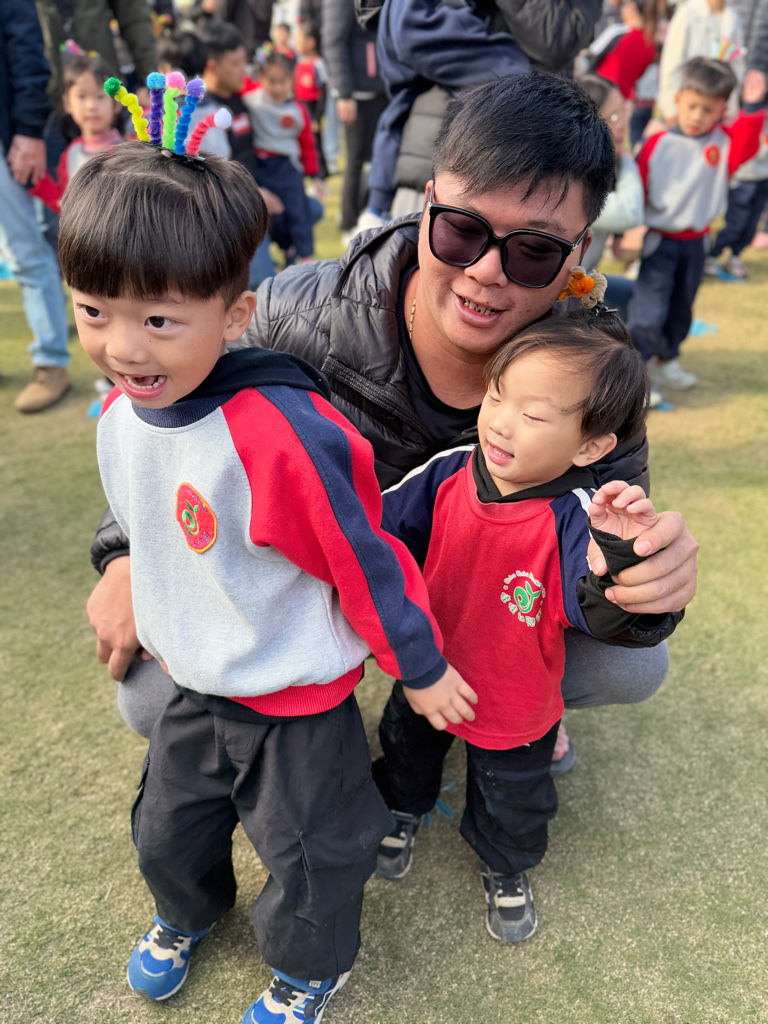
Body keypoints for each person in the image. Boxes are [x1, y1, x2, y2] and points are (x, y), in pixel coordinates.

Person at [86, 73, 699, 773]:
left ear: (580, 251)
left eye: (534, 250)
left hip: (481, 598)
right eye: (462, 230)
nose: (487, 271)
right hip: (309, 590)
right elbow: (169, 426)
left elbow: (603, 532)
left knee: (630, 664)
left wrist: (642, 575)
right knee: (150, 698)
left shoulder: (598, 367)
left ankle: (507, 705)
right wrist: (127, 555)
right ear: (427, 203)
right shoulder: (294, 316)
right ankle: (320, 712)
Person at [60, 134, 474, 1023]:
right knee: (166, 827)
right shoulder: (121, 413)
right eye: (94, 310)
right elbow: (147, 525)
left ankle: (309, 969)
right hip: (196, 680)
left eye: (159, 321)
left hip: (295, 698)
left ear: (236, 314)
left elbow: (362, 555)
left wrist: (419, 664)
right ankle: (187, 911)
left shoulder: (280, 434)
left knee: (316, 852)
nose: (122, 347)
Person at [374, 304, 682, 939]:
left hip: (516, 698)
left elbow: (596, 611)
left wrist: (621, 560)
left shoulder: (579, 516)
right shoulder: (447, 472)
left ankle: (506, 865)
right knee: (405, 749)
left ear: (591, 446)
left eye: (534, 416)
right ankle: (401, 809)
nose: (500, 422)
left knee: (515, 798)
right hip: (431, 673)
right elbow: (379, 531)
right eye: (496, 395)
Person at [627, 57, 765, 395]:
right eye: (691, 106)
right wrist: (626, 233)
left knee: (682, 307)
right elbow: (638, 189)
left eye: (707, 110)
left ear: (722, 111)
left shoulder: (723, 143)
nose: (697, 116)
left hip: (697, 242)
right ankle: (636, 373)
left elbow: (748, 142)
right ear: (677, 100)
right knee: (649, 309)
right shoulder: (658, 143)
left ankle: (667, 360)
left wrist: (752, 105)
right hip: (660, 240)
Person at [0, 0, 71, 414]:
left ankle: (50, 361)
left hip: (7, 133)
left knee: (26, 252)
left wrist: (28, 129)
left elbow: (26, 46)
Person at [245, 48, 323, 264]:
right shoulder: (252, 100)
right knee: (274, 214)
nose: (278, 87)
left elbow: (307, 144)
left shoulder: (298, 110)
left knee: (298, 211)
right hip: (262, 167)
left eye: (283, 82)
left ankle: (306, 256)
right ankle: (287, 248)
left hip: (288, 167)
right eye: (272, 81)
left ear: (292, 80)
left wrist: (314, 175)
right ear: (261, 79)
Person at [578, 75, 644, 321]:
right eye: (613, 118)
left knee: (642, 295)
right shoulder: (575, 182)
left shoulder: (599, 170)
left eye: (624, 114)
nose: (622, 125)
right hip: (561, 295)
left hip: (584, 280)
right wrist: (626, 159)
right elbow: (630, 212)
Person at [322, 0, 387, 244]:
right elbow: (333, 41)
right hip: (358, 93)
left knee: (378, 158)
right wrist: (344, 93)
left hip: (382, 88)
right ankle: (348, 222)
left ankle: (369, 214)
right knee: (356, 160)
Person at [31, 55, 123, 213]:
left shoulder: (127, 151)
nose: (91, 106)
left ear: (116, 103)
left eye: (100, 96)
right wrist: (38, 180)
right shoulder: (71, 153)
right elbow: (64, 204)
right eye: (81, 96)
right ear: (67, 103)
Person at [658, 0, 745, 123]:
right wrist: (670, 109)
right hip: (687, 107)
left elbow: (735, 65)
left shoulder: (733, 18)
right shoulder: (687, 13)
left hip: (715, 109)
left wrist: (731, 105)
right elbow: (671, 63)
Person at [293, 20, 329, 179]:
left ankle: (321, 172)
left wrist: (317, 117)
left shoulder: (318, 63)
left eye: (299, 39)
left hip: (313, 108)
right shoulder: (298, 62)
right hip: (301, 107)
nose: (296, 43)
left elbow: (323, 91)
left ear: (311, 42)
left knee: (317, 142)